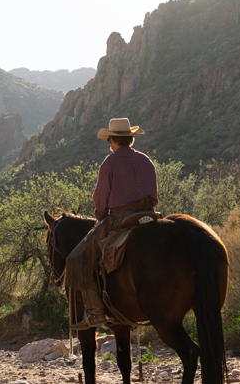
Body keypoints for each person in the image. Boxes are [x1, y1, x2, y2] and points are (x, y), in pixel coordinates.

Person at [65, 117, 158, 330]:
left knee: (77, 258)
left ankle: (95, 313)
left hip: (120, 218)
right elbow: (154, 194)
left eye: (110, 140)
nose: (109, 144)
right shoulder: (145, 160)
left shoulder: (110, 162)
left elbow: (101, 197)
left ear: (113, 140)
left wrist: (100, 216)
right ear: (131, 140)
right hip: (149, 214)